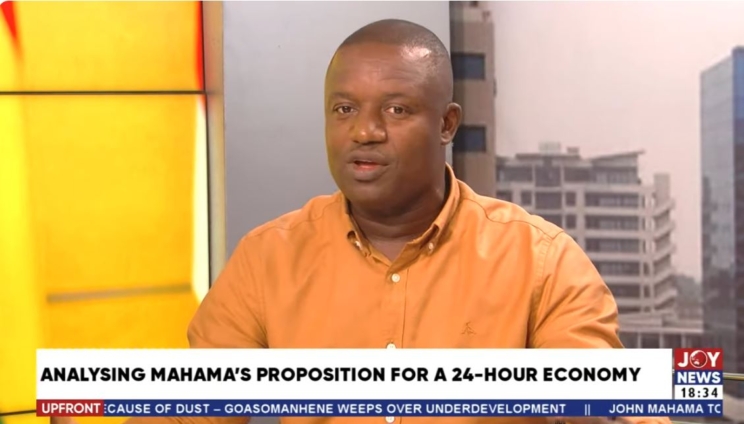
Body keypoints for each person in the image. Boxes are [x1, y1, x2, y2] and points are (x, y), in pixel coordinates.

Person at [53, 19, 670, 424]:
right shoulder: (267, 259)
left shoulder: (542, 263)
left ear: (447, 124)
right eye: (344, 109)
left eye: (396, 110)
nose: (364, 132)